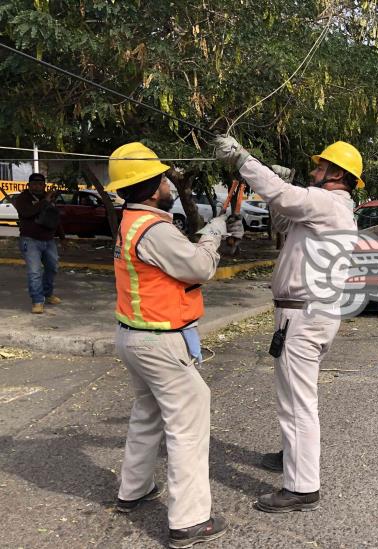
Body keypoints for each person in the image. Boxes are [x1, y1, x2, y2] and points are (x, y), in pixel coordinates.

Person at [214, 136, 363, 513]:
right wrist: (275, 181)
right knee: (300, 396)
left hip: (304, 315)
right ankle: (293, 457)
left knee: (297, 402)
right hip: (312, 313)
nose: (314, 171)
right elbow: (283, 213)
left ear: (337, 175)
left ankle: (301, 488)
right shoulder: (330, 207)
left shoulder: (327, 203)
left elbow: (281, 196)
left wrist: (245, 160)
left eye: (320, 167)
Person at [107, 142, 240, 548]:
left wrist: (218, 223)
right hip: (159, 342)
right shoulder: (155, 229)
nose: (168, 183)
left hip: (134, 336)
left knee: (147, 413)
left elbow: (178, 262)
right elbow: (199, 266)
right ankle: (188, 521)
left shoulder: (133, 221)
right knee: (188, 425)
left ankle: (134, 490)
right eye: (163, 178)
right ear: (150, 187)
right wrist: (217, 229)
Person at [13, 173, 64, 314]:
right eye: (34, 184)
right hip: (30, 241)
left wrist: (62, 237)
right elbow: (27, 213)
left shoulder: (47, 198)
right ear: (29, 185)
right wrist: (45, 201)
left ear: (44, 185)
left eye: (40, 184)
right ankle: (37, 301)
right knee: (35, 271)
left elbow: (55, 218)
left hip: (48, 240)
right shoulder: (23, 198)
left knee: (52, 268)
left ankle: (47, 294)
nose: (37, 186)